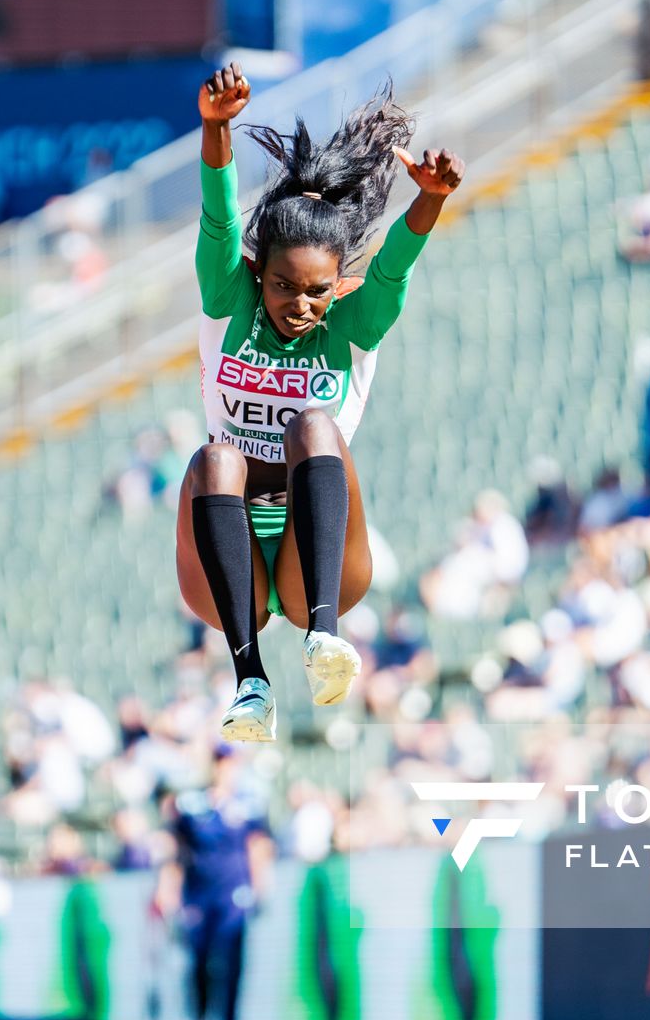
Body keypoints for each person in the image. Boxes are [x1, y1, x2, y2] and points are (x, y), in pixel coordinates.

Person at [178, 63, 464, 741]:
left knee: (314, 428)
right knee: (214, 459)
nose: (298, 306)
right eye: (282, 286)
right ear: (257, 272)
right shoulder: (228, 302)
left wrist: (429, 201)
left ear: (340, 286)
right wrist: (216, 130)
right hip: (233, 557)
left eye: (316, 292)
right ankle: (250, 681)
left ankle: (324, 641)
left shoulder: (355, 325)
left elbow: (394, 266)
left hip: (318, 561)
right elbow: (219, 224)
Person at [154, 746, 274, 1020]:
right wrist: (167, 890)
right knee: (199, 958)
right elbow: (177, 854)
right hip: (198, 893)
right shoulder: (191, 805)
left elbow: (259, 848)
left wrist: (261, 888)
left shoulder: (249, 804)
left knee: (232, 958)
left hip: (234, 892)